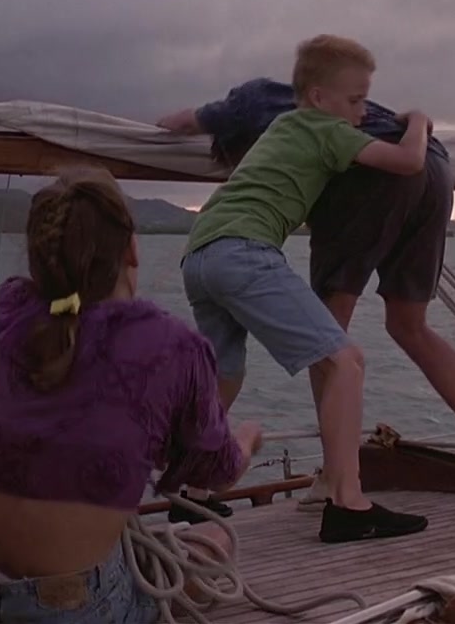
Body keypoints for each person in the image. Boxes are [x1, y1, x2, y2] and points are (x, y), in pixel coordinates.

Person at [158, 62, 455, 519]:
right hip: (435, 167)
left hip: (243, 234)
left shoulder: (259, 105)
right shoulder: (329, 113)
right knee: (404, 328)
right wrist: (419, 121)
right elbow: (411, 159)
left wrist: (164, 125)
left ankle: (332, 483)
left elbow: (180, 122)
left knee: (323, 348)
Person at [0, 167, 264, 623]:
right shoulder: (172, 348)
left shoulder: (6, 320)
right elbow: (218, 470)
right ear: (131, 248)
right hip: (68, 607)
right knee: (216, 542)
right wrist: (247, 438)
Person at [175, 34, 431, 544]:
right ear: (318, 98)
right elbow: (409, 163)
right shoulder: (328, 129)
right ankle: (348, 503)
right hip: (243, 249)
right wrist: (419, 122)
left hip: (199, 252)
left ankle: (192, 493)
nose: (363, 113)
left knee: (225, 375)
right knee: (344, 361)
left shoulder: (283, 125)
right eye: (356, 100)